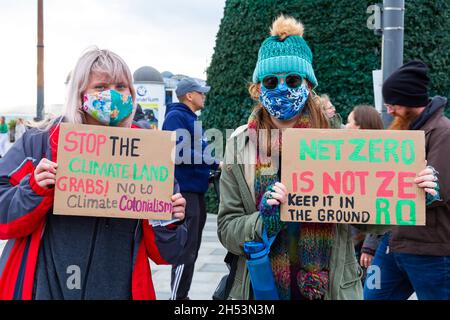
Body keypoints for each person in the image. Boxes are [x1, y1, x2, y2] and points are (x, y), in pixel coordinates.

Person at [217, 15, 436, 300]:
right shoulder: (238, 147)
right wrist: (264, 222)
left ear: (308, 84)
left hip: (330, 289)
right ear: (258, 89)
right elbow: (227, 229)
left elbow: (368, 221)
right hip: (261, 290)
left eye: (292, 79)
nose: (282, 87)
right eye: (271, 81)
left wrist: (411, 195)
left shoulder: (342, 143)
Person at [0, 48, 187, 300]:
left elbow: (168, 254)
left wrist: (167, 220)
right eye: (100, 86)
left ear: (131, 94)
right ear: (80, 95)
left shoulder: (148, 151)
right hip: (45, 286)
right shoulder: (40, 142)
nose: (112, 94)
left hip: (118, 287)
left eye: (121, 86)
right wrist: (33, 189)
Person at [364, 60, 449, 300]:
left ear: (412, 102)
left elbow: (442, 191)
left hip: (431, 250)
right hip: (394, 243)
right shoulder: (405, 132)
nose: (389, 111)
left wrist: (432, 187)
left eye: (394, 104)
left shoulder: (444, 133)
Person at [162, 77, 220, 300]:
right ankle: (178, 298)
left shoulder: (190, 118)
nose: (204, 96)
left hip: (195, 192)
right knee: (185, 248)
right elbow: (177, 153)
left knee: (192, 247)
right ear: (189, 95)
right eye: (201, 92)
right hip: (184, 193)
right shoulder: (176, 116)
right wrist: (213, 162)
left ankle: (181, 296)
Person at [345, 105, 384, 272]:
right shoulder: (348, 154)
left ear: (361, 127)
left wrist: (369, 246)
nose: (345, 127)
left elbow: (382, 206)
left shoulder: (379, 160)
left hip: (365, 244)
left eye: (349, 123)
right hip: (350, 238)